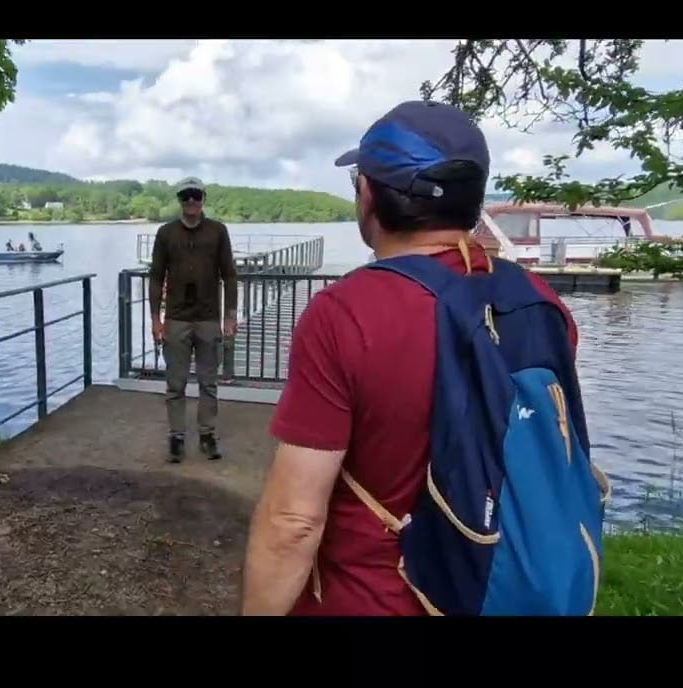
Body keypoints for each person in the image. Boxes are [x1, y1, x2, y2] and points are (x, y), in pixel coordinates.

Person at [240, 100, 588, 616]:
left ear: (369, 194)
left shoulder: (345, 314)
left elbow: (294, 522)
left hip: (372, 599)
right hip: (500, 589)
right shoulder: (539, 301)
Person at [148, 176, 238, 463]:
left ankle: (207, 434)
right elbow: (155, 276)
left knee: (208, 382)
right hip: (176, 319)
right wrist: (155, 318)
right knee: (175, 383)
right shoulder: (166, 233)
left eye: (196, 195)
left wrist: (230, 316)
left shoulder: (218, 232)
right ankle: (176, 437)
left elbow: (230, 275)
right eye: (186, 196)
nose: (191, 201)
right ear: (179, 199)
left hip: (209, 319)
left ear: (203, 198)